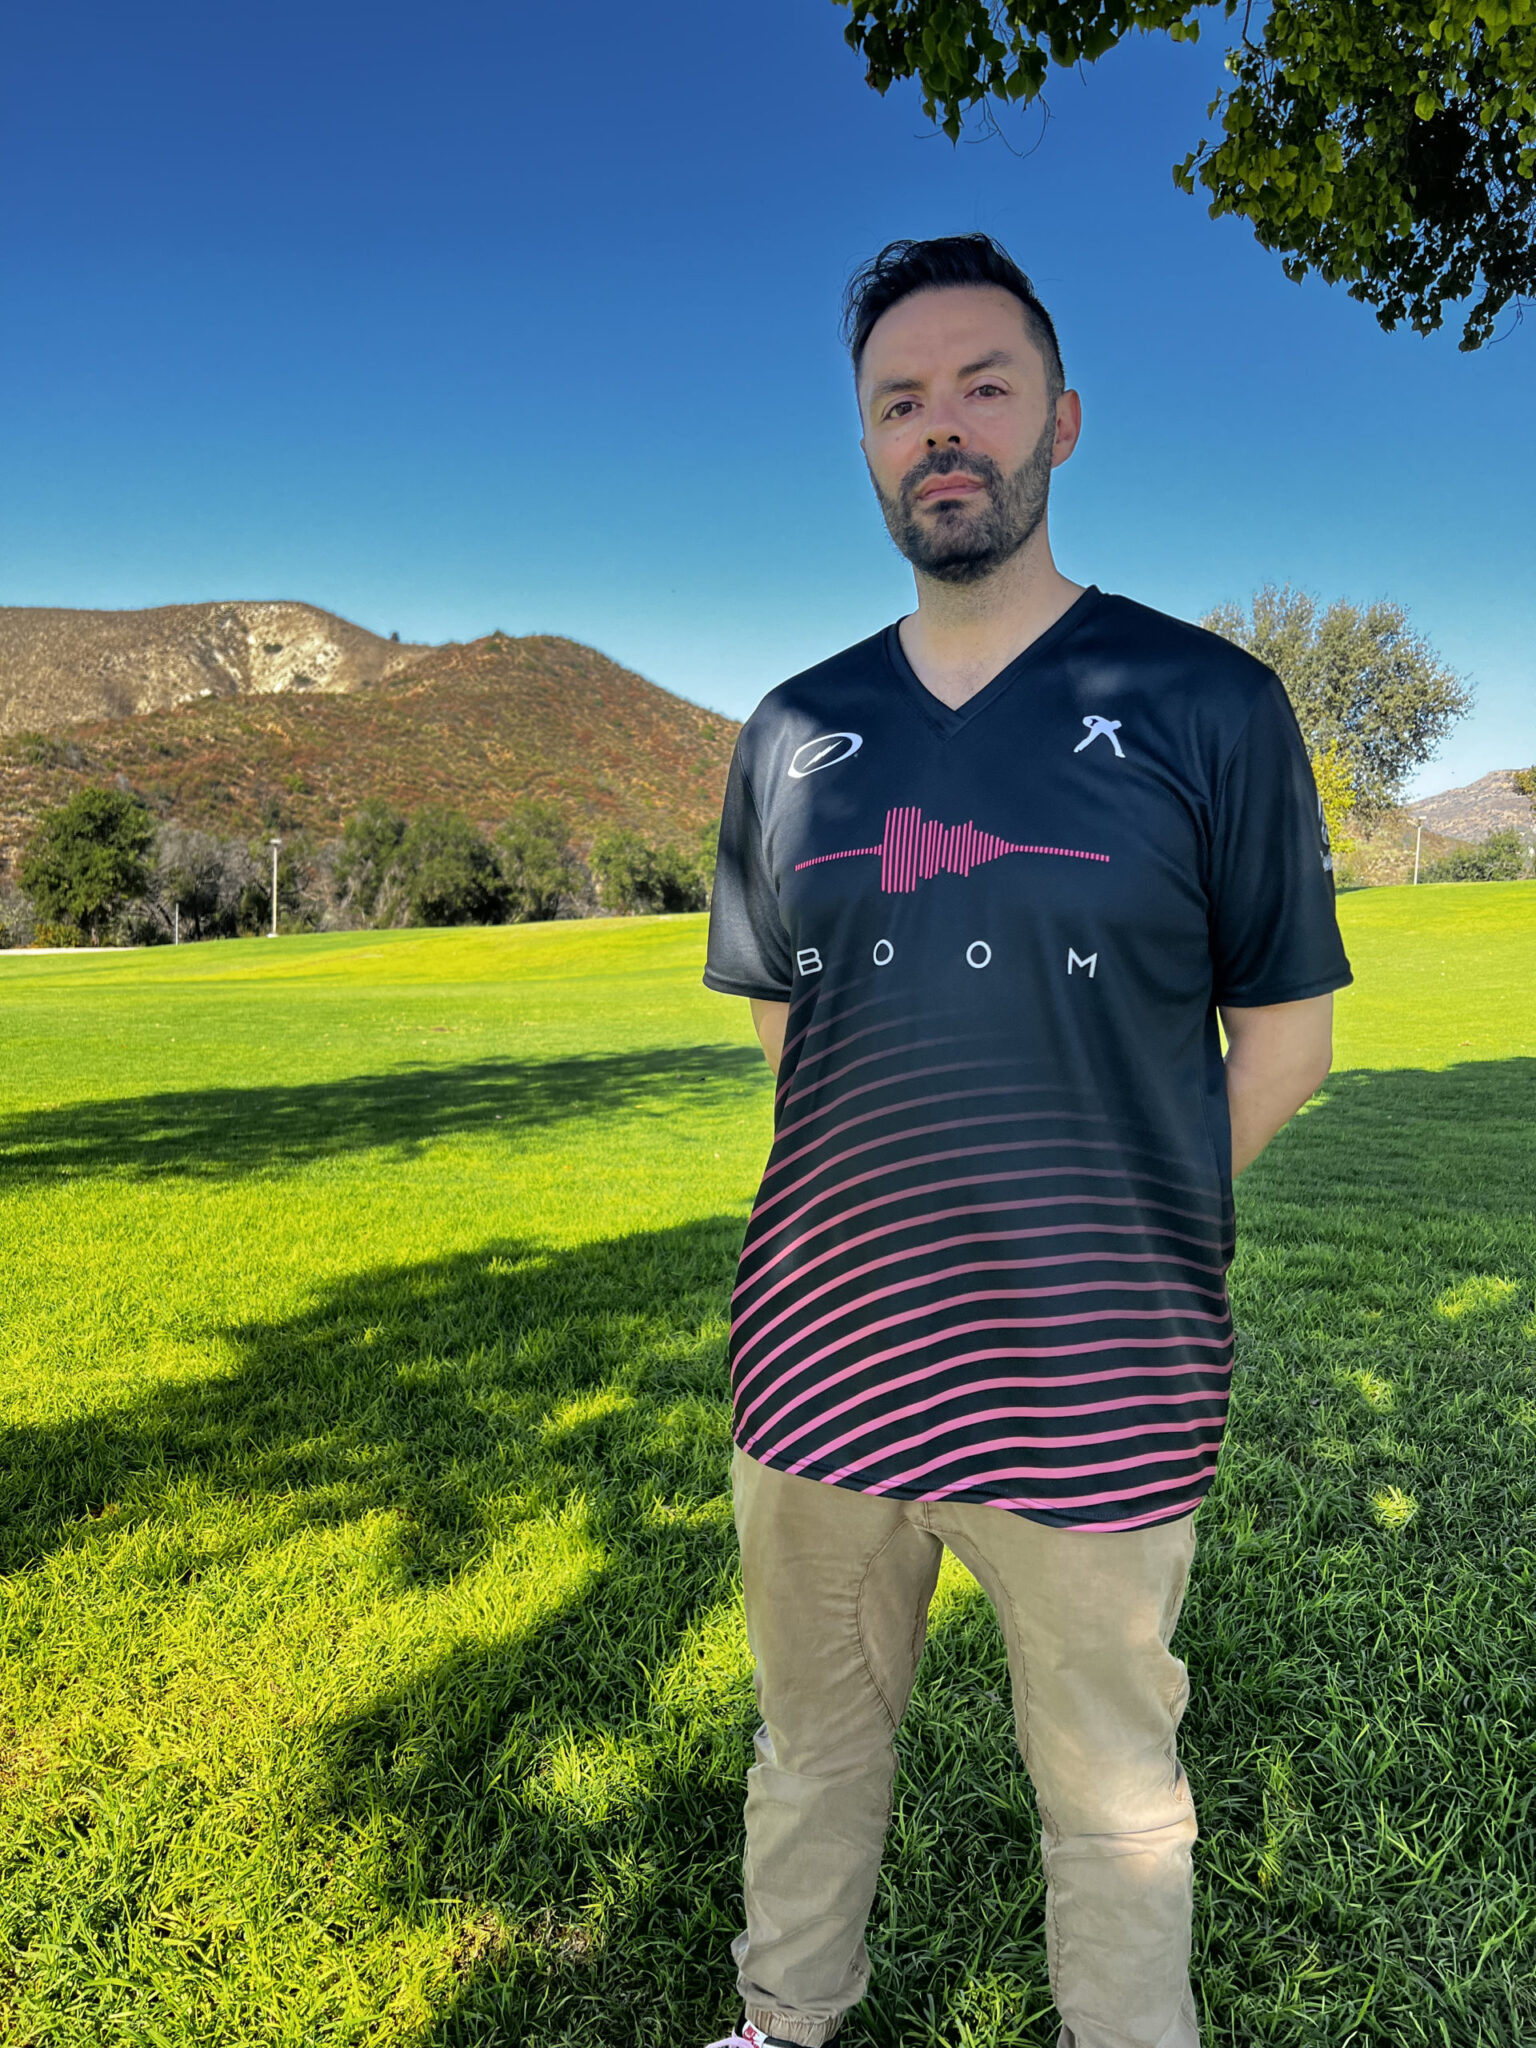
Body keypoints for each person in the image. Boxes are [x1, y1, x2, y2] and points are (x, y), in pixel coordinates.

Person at [701, 233, 1351, 2048]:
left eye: (984, 387)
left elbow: (1287, 1043)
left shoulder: (1208, 703)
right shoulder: (792, 732)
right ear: (865, 446)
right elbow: (786, 1031)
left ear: (1062, 419)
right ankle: (782, 2021)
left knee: (1112, 1792)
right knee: (813, 1746)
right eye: (900, 401)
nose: (944, 428)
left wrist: (1108, 1218)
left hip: (1096, 1368)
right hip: (819, 1363)